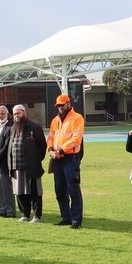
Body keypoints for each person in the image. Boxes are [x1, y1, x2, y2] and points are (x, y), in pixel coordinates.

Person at [47, 94, 84, 229]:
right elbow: (50, 138)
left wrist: (60, 150)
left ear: (69, 104)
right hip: (57, 159)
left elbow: (76, 139)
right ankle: (66, 217)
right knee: (60, 190)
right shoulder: (55, 120)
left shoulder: (77, 118)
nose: (60, 108)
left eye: (62, 105)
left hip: (70, 158)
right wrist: (51, 150)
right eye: (58, 106)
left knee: (73, 189)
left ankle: (76, 220)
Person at [8, 104, 47, 223]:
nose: (16, 116)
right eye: (14, 114)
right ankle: (24, 214)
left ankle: (37, 216)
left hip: (31, 166)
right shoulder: (13, 128)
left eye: (18, 113)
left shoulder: (35, 127)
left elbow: (42, 147)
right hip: (16, 165)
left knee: (35, 192)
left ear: (25, 113)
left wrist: (35, 159)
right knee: (19, 191)